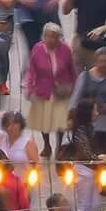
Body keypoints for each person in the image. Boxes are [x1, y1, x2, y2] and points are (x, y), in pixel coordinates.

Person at [25, 23, 77, 155]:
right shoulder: (37, 49)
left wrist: (75, 88)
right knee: (44, 121)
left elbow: (72, 70)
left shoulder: (65, 49)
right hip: (43, 90)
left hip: (62, 91)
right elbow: (31, 71)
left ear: (59, 38)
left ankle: (59, 147)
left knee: (61, 121)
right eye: (48, 36)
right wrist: (30, 90)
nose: (51, 40)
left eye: (54, 37)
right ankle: (47, 145)